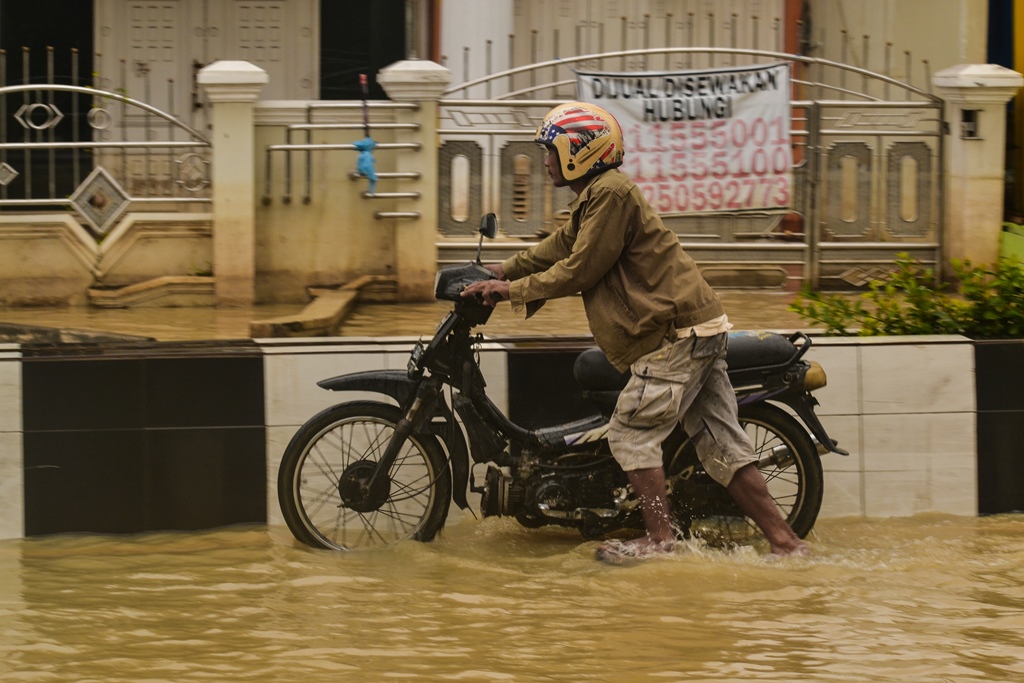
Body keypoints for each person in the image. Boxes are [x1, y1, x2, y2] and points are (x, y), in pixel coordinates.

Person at [462, 102, 809, 564]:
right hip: (694, 328)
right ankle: (786, 543)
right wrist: (498, 270)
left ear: (579, 152)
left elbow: (580, 269)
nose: (545, 161)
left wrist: (510, 291)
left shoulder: (611, 194)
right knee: (722, 443)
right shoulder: (597, 196)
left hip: (674, 335)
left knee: (629, 433)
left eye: (552, 150)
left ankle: (660, 540)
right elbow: (560, 247)